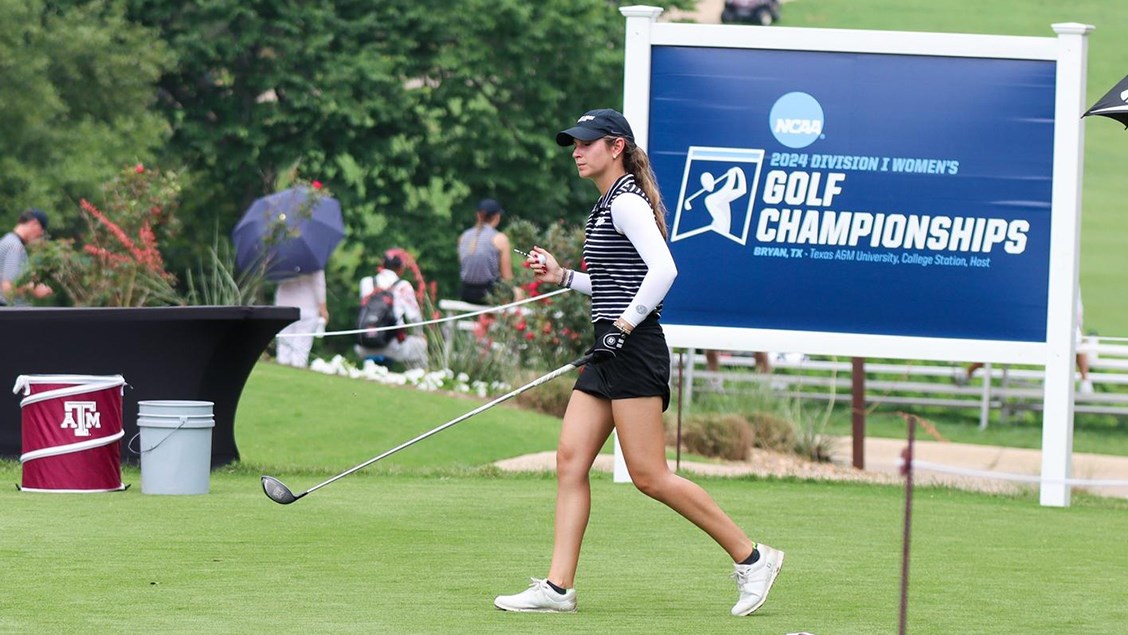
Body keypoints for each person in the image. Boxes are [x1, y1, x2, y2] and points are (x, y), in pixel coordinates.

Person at [494, 109, 783, 616]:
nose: (577, 152)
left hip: (633, 347)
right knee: (570, 461)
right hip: (610, 349)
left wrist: (623, 327)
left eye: (586, 144)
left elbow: (664, 270)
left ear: (615, 147)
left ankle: (753, 557)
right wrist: (563, 275)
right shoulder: (604, 205)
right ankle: (559, 587)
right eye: (574, 145)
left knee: (650, 476)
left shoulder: (626, 201)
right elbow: (612, 284)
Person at [956, 293, 1093, 393]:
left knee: (1077, 342)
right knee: (997, 344)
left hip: (1054, 328)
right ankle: (968, 373)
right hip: (1033, 325)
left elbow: (1077, 315)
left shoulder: (1069, 282)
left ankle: (1083, 380)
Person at [355, 250, 428, 369]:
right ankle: (419, 381)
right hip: (391, 346)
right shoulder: (403, 286)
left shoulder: (366, 282)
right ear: (401, 268)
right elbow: (414, 317)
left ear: (382, 265)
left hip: (363, 346)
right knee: (421, 345)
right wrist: (419, 335)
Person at [457, 198, 517, 304]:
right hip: (488, 295)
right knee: (518, 293)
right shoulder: (500, 239)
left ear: (478, 215)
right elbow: (507, 277)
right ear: (497, 217)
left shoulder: (463, 237)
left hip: (466, 294)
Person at [274, 269, 328, 368]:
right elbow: (319, 284)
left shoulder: (282, 256)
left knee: (284, 345)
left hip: (283, 305)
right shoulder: (314, 260)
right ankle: (296, 371)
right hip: (306, 306)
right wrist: (323, 309)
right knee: (301, 346)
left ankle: (282, 370)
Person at [0, 208, 53, 306]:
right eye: (42, 230)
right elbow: (8, 288)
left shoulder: (7, 240)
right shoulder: (15, 246)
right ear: (34, 223)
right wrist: (34, 288)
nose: (41, 234)